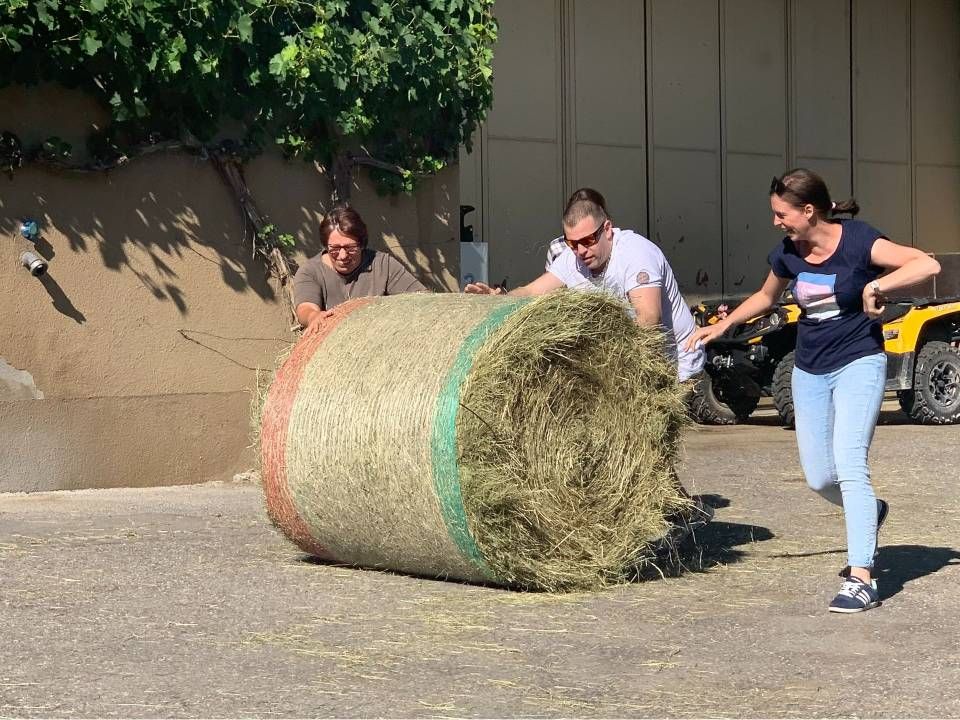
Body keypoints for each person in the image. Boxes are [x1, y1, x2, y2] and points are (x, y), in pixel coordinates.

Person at [686, 168, 940, 613]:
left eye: (781, 214)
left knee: (849, 462)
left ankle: (862, 576)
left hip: (859, 361)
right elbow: (767, 297)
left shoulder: (859, 240)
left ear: (808, 211)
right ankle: (870, 512)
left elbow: (927, 263)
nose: (776, 222)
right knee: (819, 476)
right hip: (809, 370)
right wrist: (722, 326)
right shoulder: (788, 252)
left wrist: (877, 283)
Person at [466, 190, 705, 382]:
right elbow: (530, 292)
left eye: (588, 240)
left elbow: (648, 318)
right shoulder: (572, 259)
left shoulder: (636, 253)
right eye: (572, 243)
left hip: (677, 367)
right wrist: (500, 297)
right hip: (626, 368)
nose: (581, 251)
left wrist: (606, 361)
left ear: (608, 229)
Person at [293, 205, 426, 334]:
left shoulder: (382, 264)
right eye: (334, 249)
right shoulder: (310, 271)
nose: (343, 255)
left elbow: (421, 297)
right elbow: (306, 307)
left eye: (350, 248)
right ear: (326, 246)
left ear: (362, 245)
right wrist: (313, 317)